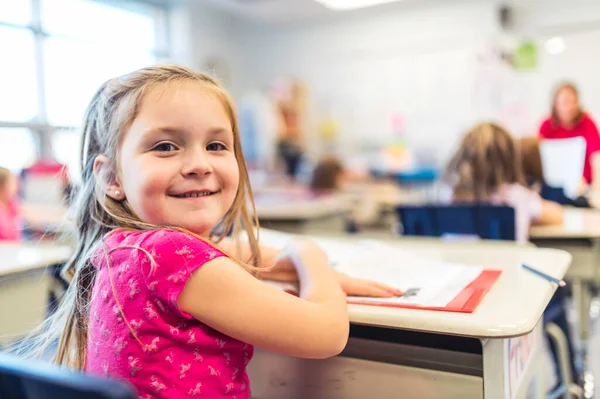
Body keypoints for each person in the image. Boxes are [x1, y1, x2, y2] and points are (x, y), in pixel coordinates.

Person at [34, 65, 401, 399]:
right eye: (165, 147)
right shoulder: (167, 254)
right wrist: (310, 255)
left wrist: (301, 266)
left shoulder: (123, 247)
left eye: (216, 145)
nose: (199, 164)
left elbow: (232, 249)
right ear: (112, 178)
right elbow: (325, 334)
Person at [445, 122, 563, 243]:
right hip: (510, 261)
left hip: (457, 262)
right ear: (510, 159)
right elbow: (557, 215)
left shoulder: (449, 196)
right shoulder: (516, 196)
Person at [539, 82, 600, 191]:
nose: (569, 107)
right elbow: (538, 158)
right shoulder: (547, 125)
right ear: (555, 104)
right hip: (553, 186)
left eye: (573, 102)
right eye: (564, 102)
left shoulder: (587, 123)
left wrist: (597, 189)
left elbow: (596, 157)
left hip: (583, 187)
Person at [0, 167, 22, 241]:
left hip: (13, 248)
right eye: (12, 183)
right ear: (2, 186)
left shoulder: (11, 203)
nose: (16, 186)